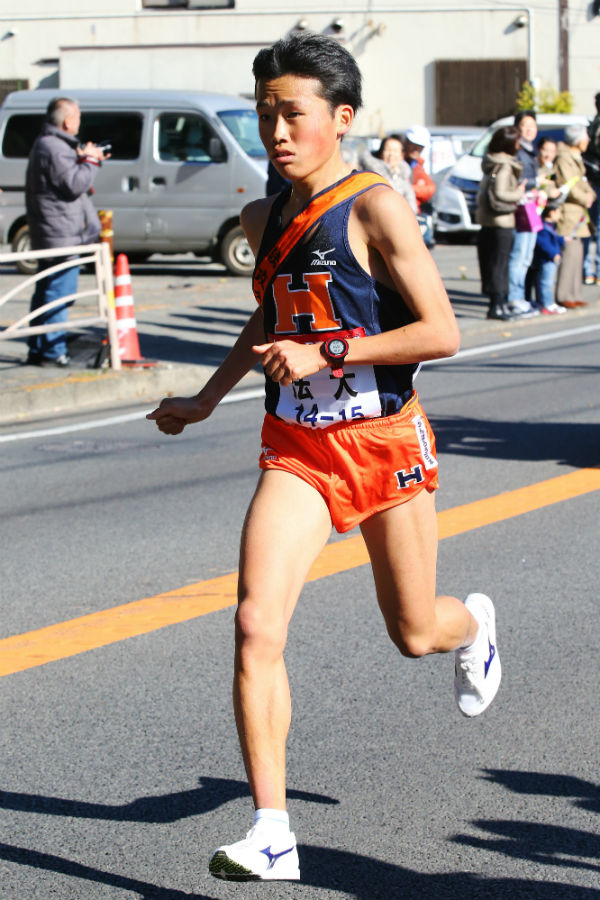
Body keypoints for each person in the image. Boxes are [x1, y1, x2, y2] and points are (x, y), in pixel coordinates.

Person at [147, 32, 502, 883]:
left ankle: (476, 627)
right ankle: (272, 828)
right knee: (254, 625)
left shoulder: (376, 205)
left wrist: (332, 354)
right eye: (265, 111)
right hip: (297, 448)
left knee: (414, 632)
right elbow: (268, 319)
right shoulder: (260, 218)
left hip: (381, 440)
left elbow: (441, 331)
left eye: (292, 113)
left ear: (340, 119)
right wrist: (206, 395)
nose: (276, 129)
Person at [25, 96, 107, 367]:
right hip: (61, 232)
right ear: (68, 120)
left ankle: (39, 346)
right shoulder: (55, 147)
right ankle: (51, 350)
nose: (79, 123)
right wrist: (91, 162)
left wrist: (84, 159)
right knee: (60, 292)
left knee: (47, 289)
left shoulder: (46, 144)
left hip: (53, 228)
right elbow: (73, 184)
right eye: (78, 118)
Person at [475, 125, 526, 320]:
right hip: (502, 220)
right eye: (516, 141)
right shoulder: (505, 165)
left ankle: (498, 303)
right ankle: (497, 305)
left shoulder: (491, 162)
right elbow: (501, 193)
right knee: (500, 264)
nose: (518, 145)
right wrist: (520, 192)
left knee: (493, 263)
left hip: (487, 219)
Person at [554, 124, 596, 309]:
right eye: (586, 137)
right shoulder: (564, 158)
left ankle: (574, 293)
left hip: (580, 213)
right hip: (569, 212)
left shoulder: (577, 158)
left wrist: (590, 195)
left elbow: (584, 182)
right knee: (569, 254)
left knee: (578, 253)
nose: (587, 141)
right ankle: (564, 295)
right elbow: (569, 185)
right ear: (578, 139)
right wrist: (584, 196)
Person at [507, 110, 540, 317]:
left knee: (526, 256)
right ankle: (514, 298)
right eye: (525, 126)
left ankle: (520, 297)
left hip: (531, 208)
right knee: (519, 256)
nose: (529, 130)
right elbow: (520, 182)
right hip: (521, 209)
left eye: (532, 126)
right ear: (517, 130)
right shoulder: (518, 151)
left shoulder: (530, 151)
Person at [359, 134, 417, 213]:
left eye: (395, 151)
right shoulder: (371, 174)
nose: (391, 154)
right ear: (381, 152)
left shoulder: (403, 175)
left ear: (401, 154)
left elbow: (412, 205)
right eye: (388, 150)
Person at [528, 200, 567, 315]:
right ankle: (547, 304)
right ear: (551, 213)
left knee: (544, 282)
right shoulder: (543, 227)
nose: (560, 215)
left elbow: (554, 238)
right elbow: (543, 243)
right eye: (558, 212)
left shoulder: (550, 226)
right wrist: (553, 254)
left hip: (549, 259)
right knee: (545, 282)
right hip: (546, 260)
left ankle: (545, 303)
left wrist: (562, 240)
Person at [582, 91, 600, 284]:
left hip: (590, 183)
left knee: (589, 227)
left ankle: (586, 270)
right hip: (596, 183)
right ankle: (596, 272)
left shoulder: (590, 126)